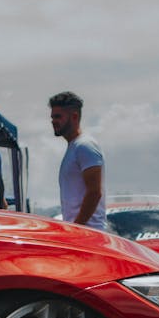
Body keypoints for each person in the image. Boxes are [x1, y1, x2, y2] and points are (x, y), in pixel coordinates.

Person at [49, 91, 106, 230]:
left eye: (58, 117)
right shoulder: (74, 148)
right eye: (52, 117)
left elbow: (94, 192)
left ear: (74, 116)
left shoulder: (85, 146)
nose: (53, 121)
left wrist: (77, 227)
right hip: (81, 232)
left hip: (89, 234)